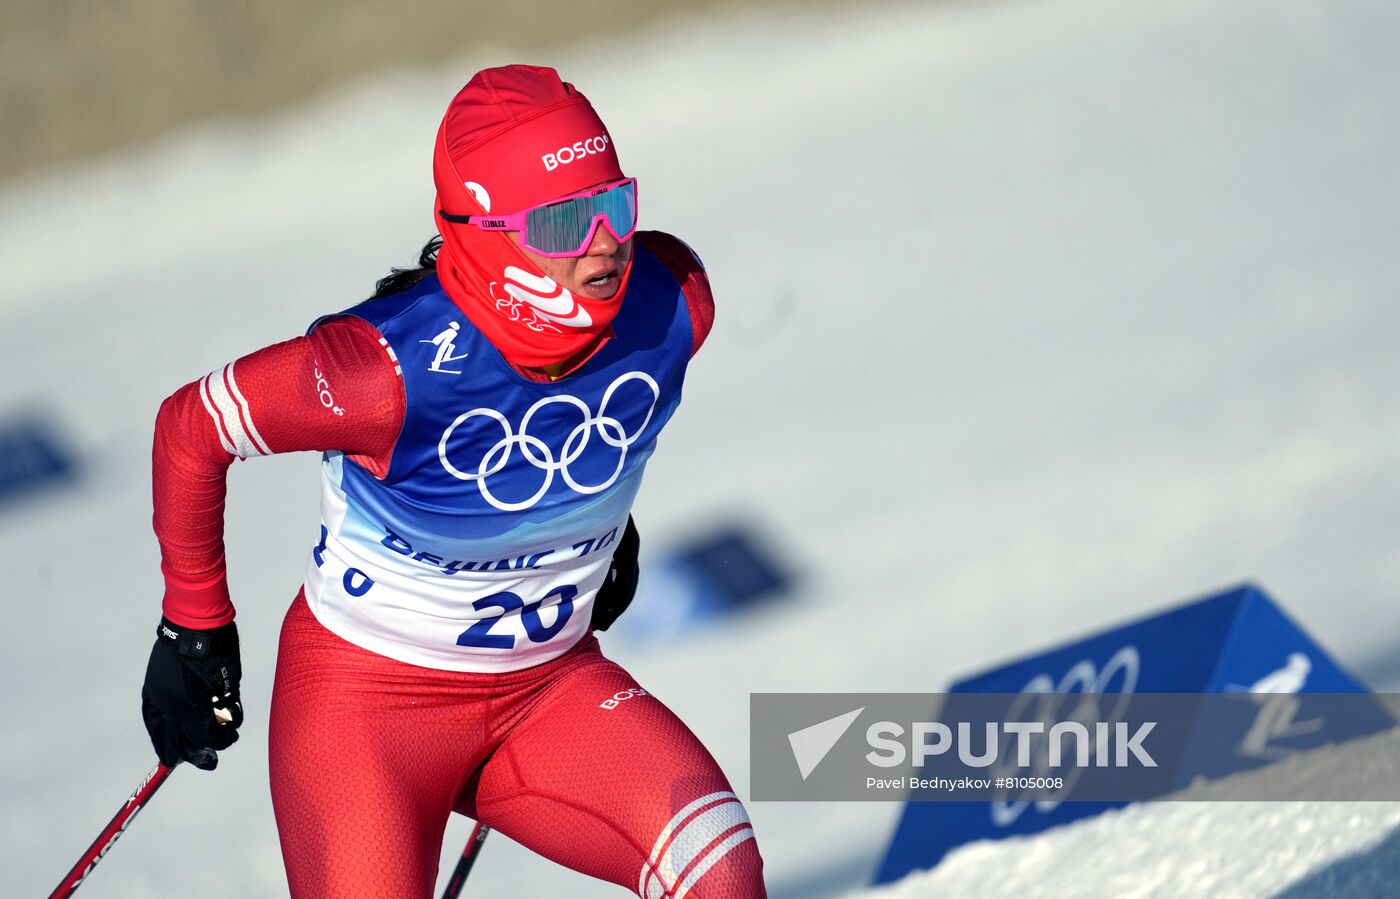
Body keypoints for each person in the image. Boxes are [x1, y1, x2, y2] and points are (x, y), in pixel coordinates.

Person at [139, 64, 767, 898]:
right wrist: (194, 627)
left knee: (719, 868)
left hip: (548, 690)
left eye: (615, 205)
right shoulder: (377, 371)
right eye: (565, 222)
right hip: (367, 713)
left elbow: (588, 419)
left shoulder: (675, 301)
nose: (605, 241)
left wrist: (601, 529)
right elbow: (192, 428)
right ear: (486, 230)